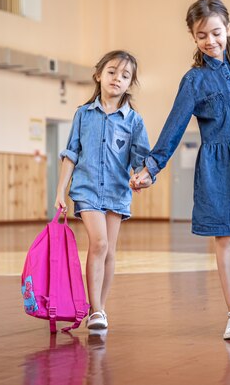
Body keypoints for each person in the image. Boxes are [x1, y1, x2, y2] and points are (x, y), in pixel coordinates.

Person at [131, 0, 230, 340]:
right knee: (226, 238)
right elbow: (174, 126)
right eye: (202, 36)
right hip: (219, 167)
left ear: (227, 28)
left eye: (216, 32)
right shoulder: (193, 80)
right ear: (193, 37)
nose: (210, 41)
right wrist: (152, 167)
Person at [55, 50, 152, 330]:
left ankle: (101, 309)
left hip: (117, 192)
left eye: (125, 75)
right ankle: (94, 308)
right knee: (98, 243)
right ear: (98, 75)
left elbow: (139, 160)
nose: (117, 79)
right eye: (111, 72)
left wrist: (140, 177)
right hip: (86, 190)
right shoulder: (83, 115)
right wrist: (60, 191)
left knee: (109, 251)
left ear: (129, 83)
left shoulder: (134, 121)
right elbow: (71, 153)